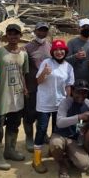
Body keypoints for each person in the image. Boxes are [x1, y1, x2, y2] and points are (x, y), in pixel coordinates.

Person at [0, 23, 29, 170]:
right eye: (10, 34)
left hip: (17, 96)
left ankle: (10, 150)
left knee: (14, 124)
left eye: (16, 34)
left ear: (20, 36)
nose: (13, 36)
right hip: (1, 95)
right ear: (6, 36)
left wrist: (24, 89)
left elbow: (23, 74)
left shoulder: (24, 54)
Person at [33, 39, 75, 173]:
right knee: (42, 128)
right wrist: (44, 72)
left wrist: (68, 102)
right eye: (56, 50)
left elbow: (68, 86)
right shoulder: (46, 63)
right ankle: (37, 159)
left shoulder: (68, 67)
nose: (59, 52)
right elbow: (38, 81)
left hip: (60, 103)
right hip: (45, 102)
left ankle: (52, 150)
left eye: (61, 49)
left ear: (65, 51)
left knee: (57, 128)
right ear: (52, 52)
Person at [49, 80, 89, 178]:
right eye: (78, 92)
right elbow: (59, 122)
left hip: (73, 140)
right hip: (60, 135)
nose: (81, 95)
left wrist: (86, 124)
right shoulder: (66, 102)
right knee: (56, 144)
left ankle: (66, 155)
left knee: (84, 165)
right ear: (72, 91)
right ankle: (62, 164)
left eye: (84, 92)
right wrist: (79, 117)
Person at [23, 22, 52, 152]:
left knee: (44, 114)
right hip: (33, 88)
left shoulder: (50, 47)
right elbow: (23, 70)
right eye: (40, 30)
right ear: (35, 31)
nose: (42, 33)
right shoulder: (27, 48)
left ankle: (43, 134)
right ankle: (29, 138)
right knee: (30, 115)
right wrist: (25, 87)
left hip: (46, 88)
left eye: (44, 30)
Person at [68, 19, 89, 96]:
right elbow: (65, 62)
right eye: (84, 27)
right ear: (79, 29)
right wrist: (75, 56)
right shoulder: (71, 43)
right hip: (74, 82)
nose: (86, 29)